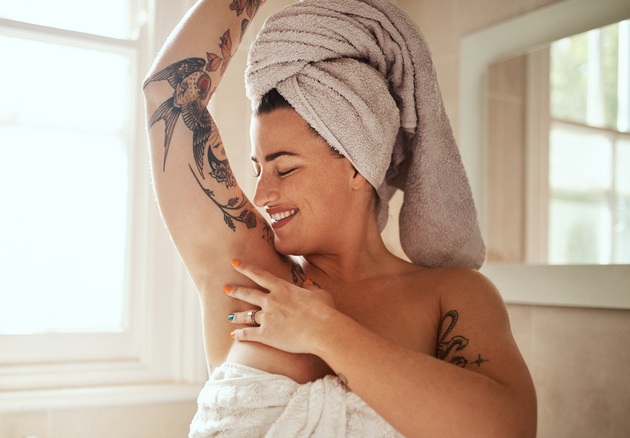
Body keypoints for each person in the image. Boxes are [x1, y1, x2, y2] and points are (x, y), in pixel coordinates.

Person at [142, 0, 537, 436]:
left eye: (284, 167)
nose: (261, 194)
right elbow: (169, 95)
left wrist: (323, 330)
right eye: (257, 168)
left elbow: (506, 429)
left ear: (356, 166)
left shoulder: (453, 295)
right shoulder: (251, 274)